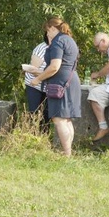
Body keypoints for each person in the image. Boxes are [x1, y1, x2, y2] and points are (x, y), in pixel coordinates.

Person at [30, 17, 81, 156]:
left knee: (58, 119)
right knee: (67, 119)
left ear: (53, 28)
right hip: (71, 81)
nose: (47, 35)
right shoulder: (70, 40)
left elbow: (55, 67)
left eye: (48, 31)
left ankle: (67, 153)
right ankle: (68, 152)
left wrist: (37, 79)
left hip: (60, 84)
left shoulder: (58, 41)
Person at [24, 36, 49, 130]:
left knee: (47, 115)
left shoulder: (59, 48)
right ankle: (33, 135)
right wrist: (49, 73)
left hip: (49, 86)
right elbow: (32, 69)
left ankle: (45, 137)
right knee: (34, 113)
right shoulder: (41, 48)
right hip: (34, 85)